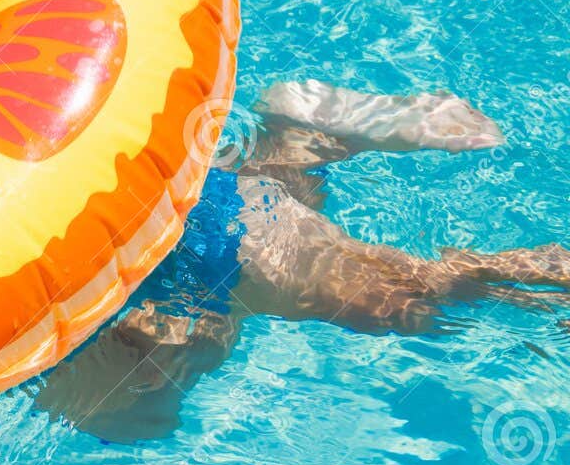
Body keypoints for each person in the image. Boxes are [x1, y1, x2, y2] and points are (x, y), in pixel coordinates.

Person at [28, 81, 570, 442]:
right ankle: (297, 136)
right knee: (256, 232)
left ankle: (546, 267)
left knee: (416, 298)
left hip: (210, 251)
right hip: (181, 211)